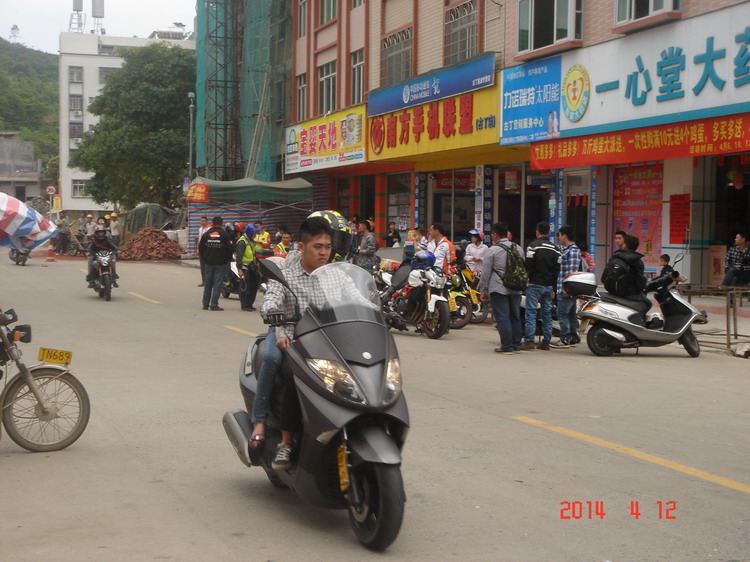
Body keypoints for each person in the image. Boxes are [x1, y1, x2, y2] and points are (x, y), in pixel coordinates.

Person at [259, 217, 338, 469]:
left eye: (327, 246)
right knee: (298, 380)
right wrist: (273, 312)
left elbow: (359, 299)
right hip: (298, 345)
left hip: (333, 344)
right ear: (302, 247)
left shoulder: (336, 276)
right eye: (318, 247)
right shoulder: (286, 277)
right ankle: (286, 442)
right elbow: (271, 299)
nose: (324, 252)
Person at [479, 222, 523, 354]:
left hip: (498, 288)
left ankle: (507, 346)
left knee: (503, 317)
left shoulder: (492, 250)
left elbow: (485, 273)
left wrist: (483, 291)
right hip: (516, 287)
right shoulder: (518, 248)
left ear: (495, 234)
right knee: (515, 316)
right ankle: (516, 345)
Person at [522, 221, 561, 351]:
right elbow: (557, 270)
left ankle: (529, 341)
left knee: (531, 313)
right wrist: (554, 287)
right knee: (547, 314)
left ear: (537, 232)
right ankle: (546, 342)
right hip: (549, 286)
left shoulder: (532, 246)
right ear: (549, 232)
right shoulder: (556, 249)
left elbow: (528, 265)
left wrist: (528, 278)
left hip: (534, 284)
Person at [602, 234, 650, 311]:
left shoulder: (614, 257)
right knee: (648, 304)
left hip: (612, 292)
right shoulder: (638, 261)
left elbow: (603, 278)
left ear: (625, 245)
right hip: (630, 294)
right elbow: (640, 284)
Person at [553, 225, 582, 349]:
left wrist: (568, 289)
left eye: (559, 235)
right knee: (570, 314)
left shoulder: (573, 250)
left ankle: (565, 338)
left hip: (566, 289)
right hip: (564, 287)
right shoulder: (566, 250)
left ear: (565, 235)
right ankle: (573, 337)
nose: (558, 238)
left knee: (562, 314)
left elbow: (572, 272)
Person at [199, 216, 233, 311]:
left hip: (208, 263)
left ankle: (205, 305)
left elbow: (201, 248)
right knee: (218, 284)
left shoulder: (206, 234)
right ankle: (214, 305)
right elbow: (230, 249)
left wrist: (205, 259)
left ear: (212, 223)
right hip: (221, 264)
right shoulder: (225, 235)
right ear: (221, 224)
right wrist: (227, 260)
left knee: (208, 284)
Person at [236, 223, 260, 312]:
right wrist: (239, 269)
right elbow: (239, 257)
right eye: (254, 234)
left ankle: (250, 304)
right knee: (246, 287)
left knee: (253, 287)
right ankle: (245, 305)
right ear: (250, 233)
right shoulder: (242, 242)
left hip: (252, 267)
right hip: (245, 268)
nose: (255, 235)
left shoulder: (252, 241)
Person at [196, 216, 210, 287]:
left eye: (204, 221)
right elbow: (199, 240)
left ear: (207, 222)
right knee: (202, 267)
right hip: (201, 250)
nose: (203, 222)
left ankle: (209, 282)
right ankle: (204, 281)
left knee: (208, 267)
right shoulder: (200, 229)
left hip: (207, 251)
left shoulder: (209, 229)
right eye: (201, 221)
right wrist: (198, 249)